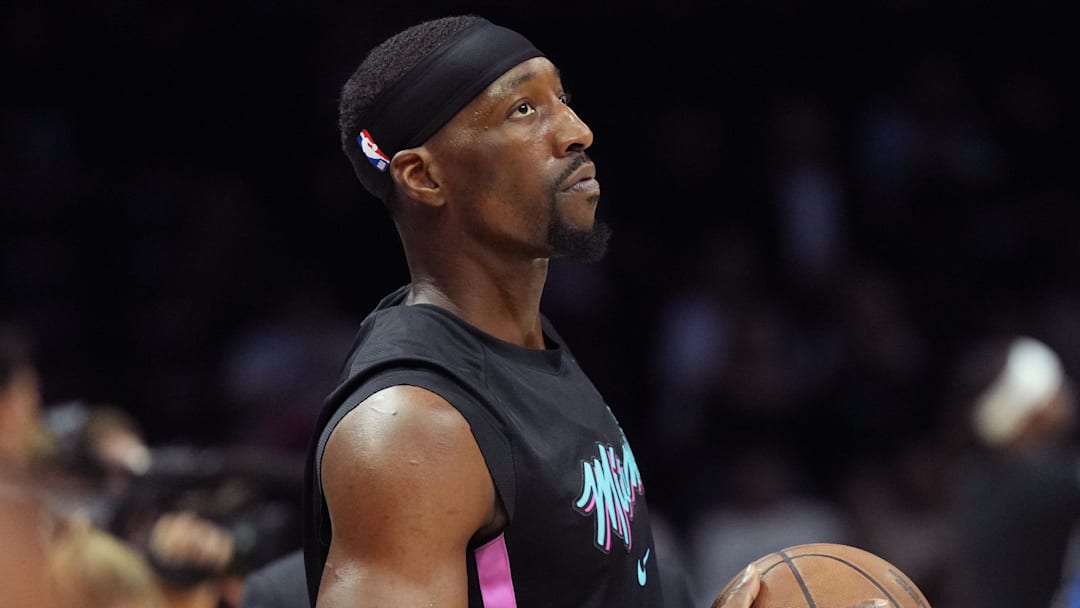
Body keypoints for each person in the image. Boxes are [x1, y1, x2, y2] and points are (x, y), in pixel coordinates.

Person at [301, 14, 890, 608]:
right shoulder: (412, 428)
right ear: (424, 177)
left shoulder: (530, 352)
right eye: (523, 111)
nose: (577, 131)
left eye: (562, 99)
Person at [942, 334, 1080, 608]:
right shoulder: (1043, 485)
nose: (1068, 391)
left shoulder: (972, 481)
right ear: (1034, 411)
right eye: (1056, 385)